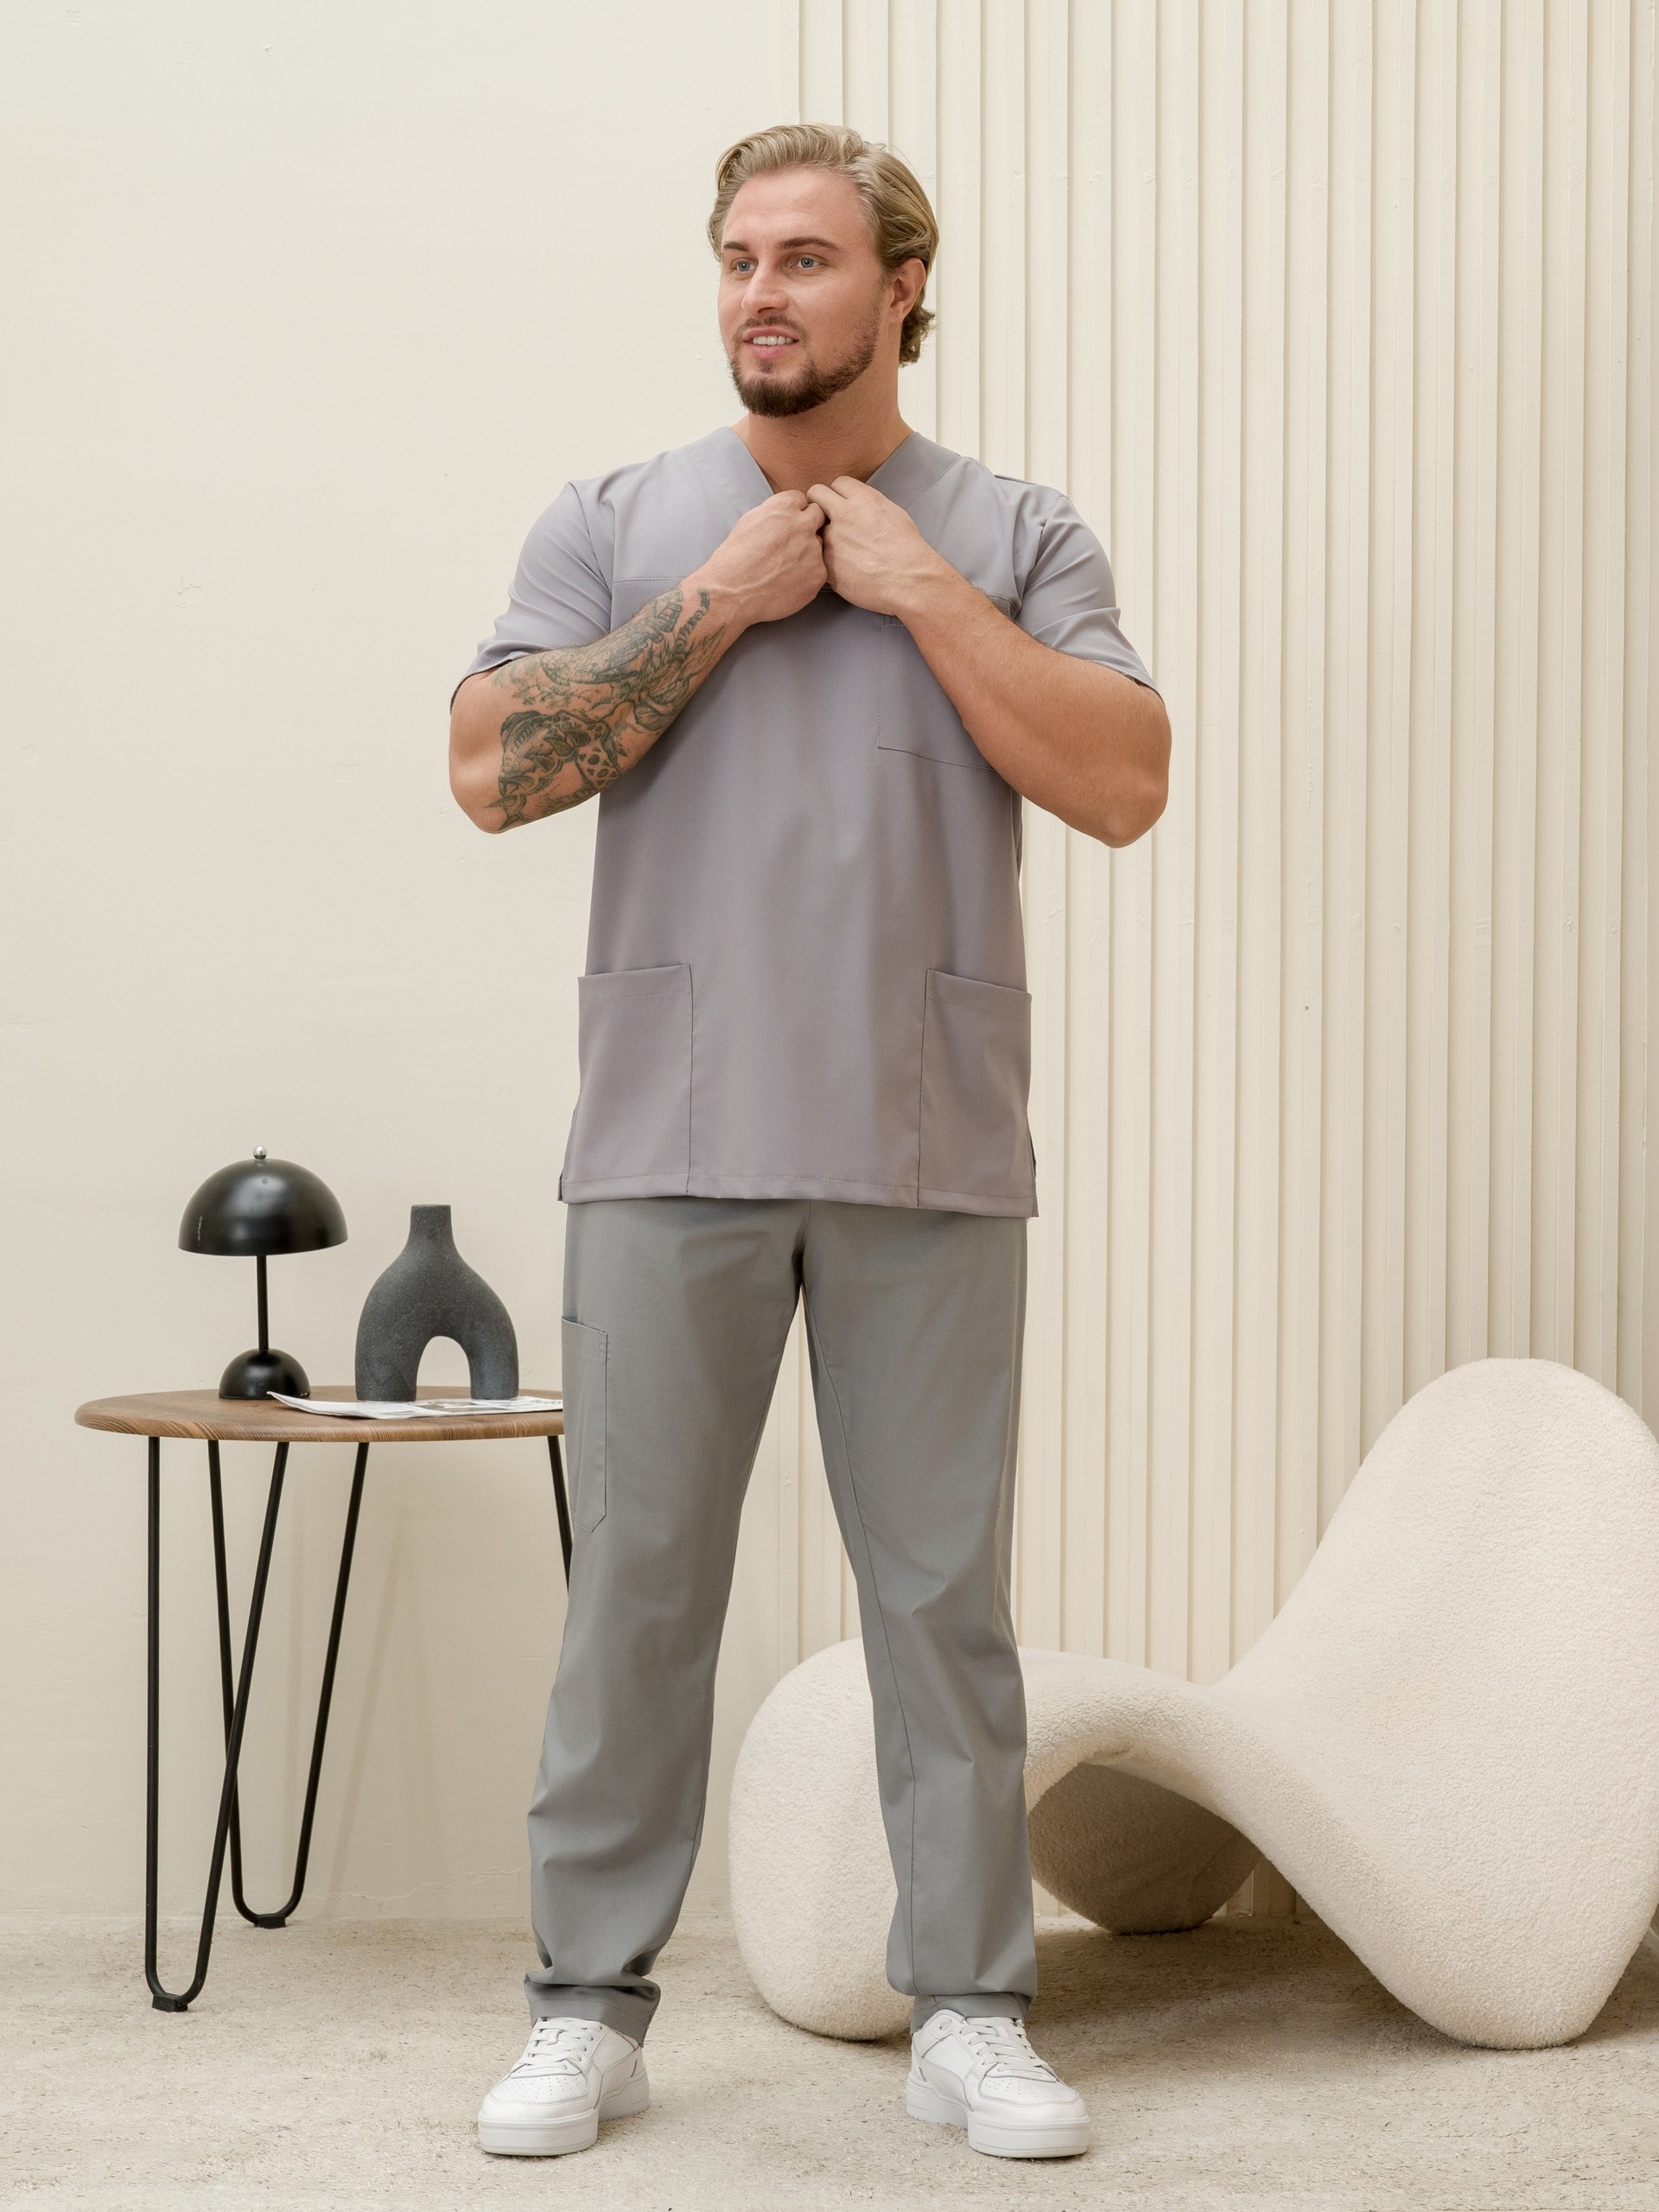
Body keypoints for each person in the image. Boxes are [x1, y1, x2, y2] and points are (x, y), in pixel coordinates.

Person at [447, 120, 1168, 2164]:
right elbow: (490, 768)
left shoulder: (1013, 530)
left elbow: (1125, 781)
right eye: (740, 257)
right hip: (666, 1131)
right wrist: (718, 603)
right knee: (639, 1589)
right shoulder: (616, 522)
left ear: (902, 288)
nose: (762, 292)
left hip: (926, 1137)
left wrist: (919, 588)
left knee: (941, 1599)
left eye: (810, 258)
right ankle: (585, 2007)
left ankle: (972, 2007)